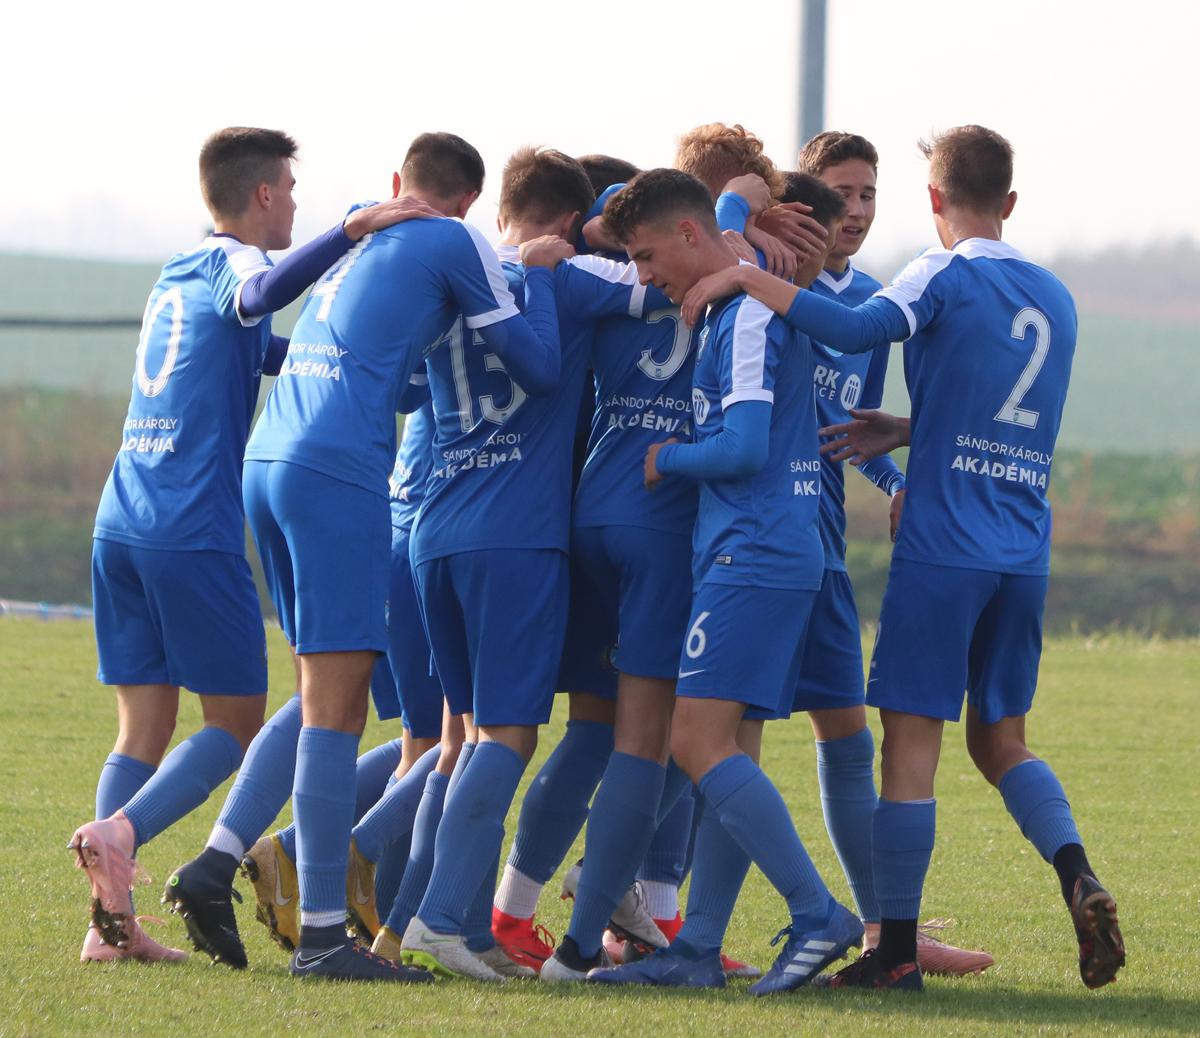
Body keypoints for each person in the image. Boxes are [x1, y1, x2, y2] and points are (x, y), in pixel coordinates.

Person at [681, 125, 1123, 992]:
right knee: (1003, 742)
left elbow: (853, 328)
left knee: (908, 748)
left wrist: (745, 275)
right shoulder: (1057, 295)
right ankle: (1077, 870)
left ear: (932, 199)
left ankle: (893, 953)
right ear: (1011, 200)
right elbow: (1004, 412)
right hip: (1024, 551)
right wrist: (912, 429)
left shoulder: (938, 272)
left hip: (945, 546)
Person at [69, 126, 431, 965]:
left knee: (141, 730)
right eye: (291, 192)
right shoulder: (233, 263)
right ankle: (122, 831)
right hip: (187, 529)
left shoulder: (176, 272)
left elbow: (269, 351)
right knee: (234, 723)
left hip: (119, 521)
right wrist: (349, 231)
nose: (297, 205)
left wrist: (375, 372)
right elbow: (261, 294)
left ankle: (108, 926)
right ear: (263, 194)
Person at [394, 147, 673, 982]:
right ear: (571, 222)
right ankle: (442, 919)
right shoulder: (569, 277)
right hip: (514, 540)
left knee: (459, 740)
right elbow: (667, 284)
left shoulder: (451, 277)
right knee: (508, 736)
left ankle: (418, 922)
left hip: (433, 531)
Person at [588, 168, 862, 994]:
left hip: (755, 552)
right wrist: (737, 227)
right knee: (729, 748)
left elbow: (743, 446)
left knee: (695, 742)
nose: (643, 275)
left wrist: (667, 458)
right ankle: (699, 948)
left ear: (687, 234)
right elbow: (723, 207)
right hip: (761, 550)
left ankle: (818, 914)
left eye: (646, 256)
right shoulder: (739, 299)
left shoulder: (745, 315)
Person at [790, 133, 994, 976]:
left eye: (869, 193)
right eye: (841, 193)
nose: (856, 210)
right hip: (758, 543)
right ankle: (649, 911)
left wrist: (899, 480)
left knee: (848, 739)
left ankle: (883, 933)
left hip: (824, 547)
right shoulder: (778, 284)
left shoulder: (874, 307)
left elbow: (853, 433)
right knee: (711, 737)